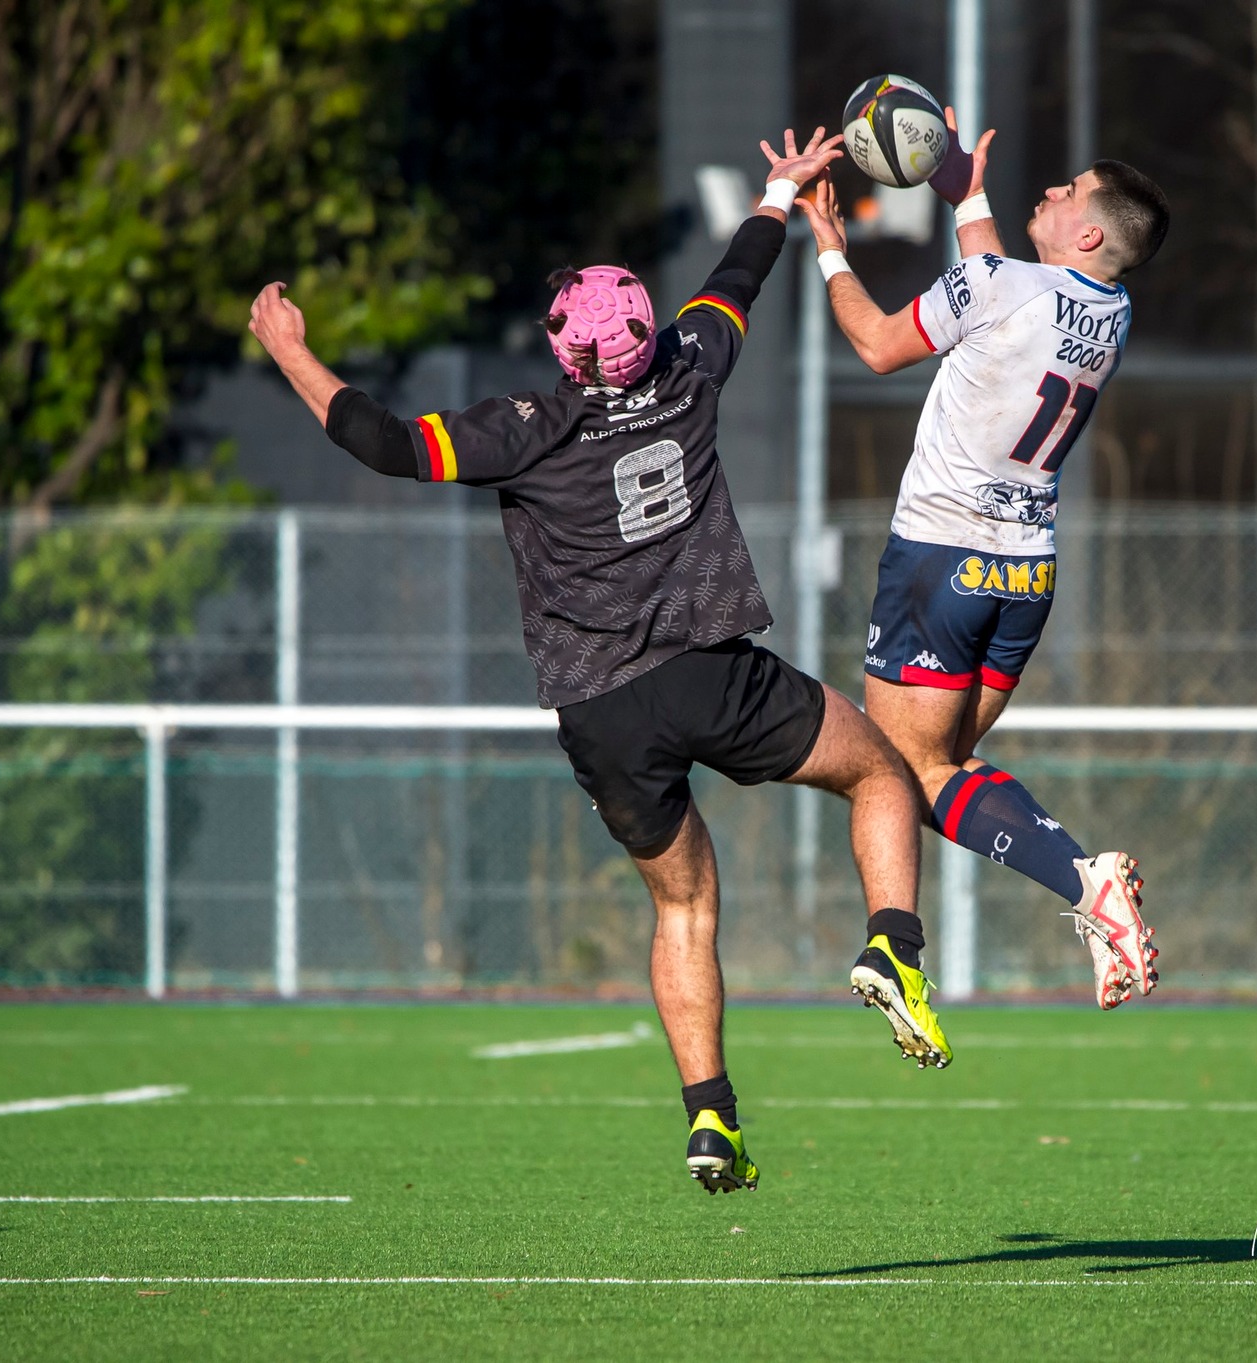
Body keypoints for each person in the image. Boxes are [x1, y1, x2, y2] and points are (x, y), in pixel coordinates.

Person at [248, 128, 949, 1198]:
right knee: (880, 773)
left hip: (601, 714)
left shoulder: (520, 428)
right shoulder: (690, 368)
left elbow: (381, 441)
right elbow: (734, 279)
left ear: (565, 348)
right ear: (643, 334)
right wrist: (777, 190)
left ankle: (711, 1120)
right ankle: (890, 941)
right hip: (715, 674)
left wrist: (290, 348)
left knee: (682, 907)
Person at [799, 110, 1171, 1010]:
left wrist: (831, 253)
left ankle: (1083, 888)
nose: (1050, 188)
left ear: (1086, 231)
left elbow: (881, 345)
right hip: (1024, 571)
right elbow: (1003, 286)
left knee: (900, 773)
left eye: (1068, 190)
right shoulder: (1112, 313)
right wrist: (964, 191)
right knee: (942, 770)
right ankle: (1085, 887)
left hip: (942, 558)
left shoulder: (1006, 288)